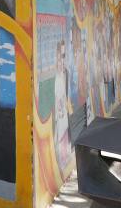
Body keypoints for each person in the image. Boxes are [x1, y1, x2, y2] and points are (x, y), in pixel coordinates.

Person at [54, 39, 72, 169]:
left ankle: (64, 160)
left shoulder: (66, 74)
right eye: (60, 56)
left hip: (64, 117)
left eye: (64, 56)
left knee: (64, 134)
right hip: (58, 119)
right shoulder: (55, 77)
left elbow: (66, 96)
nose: (62, 60)